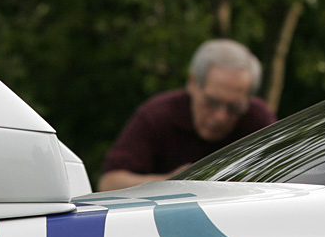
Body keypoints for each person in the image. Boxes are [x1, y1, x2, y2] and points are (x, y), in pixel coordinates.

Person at [98, 39, 277, 191]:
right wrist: (172, 183)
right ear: (192, 83)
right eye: (211, 102)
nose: (220, 117)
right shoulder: (158, 115)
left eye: (234, 108)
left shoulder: (258, 119)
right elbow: (109, 182)